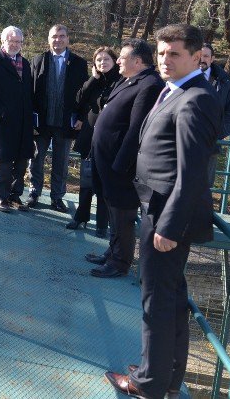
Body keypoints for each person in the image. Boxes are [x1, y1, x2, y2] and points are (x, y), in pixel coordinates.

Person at [105, 24, 221, 399]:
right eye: (160, 53)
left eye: (174, 53)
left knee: (156, 298)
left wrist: (168, 226)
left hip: (167, 214)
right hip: (158, 206)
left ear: (195, 56)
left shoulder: (195, 99)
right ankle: (166, 376)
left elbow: (191, 173)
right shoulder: (176, 91)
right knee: (170, 297)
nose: (164, 60)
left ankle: (148, 383)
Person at [85, 39, 164, 279]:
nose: (118, 60)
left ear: (137, 61)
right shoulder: (130, 79)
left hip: (121, 165)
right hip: (106, 159)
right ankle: (113, 251)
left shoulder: (149, 84)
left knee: (122, 213)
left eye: (122, 57)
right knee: (112, 210)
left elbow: (136, 129)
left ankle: (120, 262)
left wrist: (121, 164)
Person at [28, 24, 88, 212]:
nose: (58, 40)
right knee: (36, 158)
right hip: (42, 121)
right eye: (54, 36)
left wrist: (81, 117)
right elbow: (30, 91)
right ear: (49, 39)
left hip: (65, 122)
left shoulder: (79, 63)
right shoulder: (38, 60)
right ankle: (34, 192)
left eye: (62, 36)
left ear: (68, 39)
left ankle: (57, 197)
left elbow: (85, 93)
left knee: (61, 162)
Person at [66, 46, 120, 235]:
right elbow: (79, 99)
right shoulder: (95, 81)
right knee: (86, 181)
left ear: (114, 61)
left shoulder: (120, 82)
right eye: (99, 60)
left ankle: (101, 224)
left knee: (104, 184)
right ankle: (81, 217)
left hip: (108, 141)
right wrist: (93, 78)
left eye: (106, 59)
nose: (102, 63)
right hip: (89, 138)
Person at [0, 26, 34, 213]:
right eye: (11, 40)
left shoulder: (25, 64)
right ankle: (2, 197)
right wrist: (2, 112)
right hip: (4, 123)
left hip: (24, 122)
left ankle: (15, 196)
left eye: (18, 41)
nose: (15, 44)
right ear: (3, 41)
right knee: (4, 161)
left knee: (21, 161)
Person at [200, 43, 230, 139]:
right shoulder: (182, 78)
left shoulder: (225, 82)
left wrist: (218, 134)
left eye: (206, 56)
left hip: (210, 144)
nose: (201, 60)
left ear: (212, 58)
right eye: (199, 56)